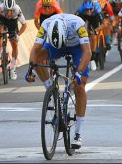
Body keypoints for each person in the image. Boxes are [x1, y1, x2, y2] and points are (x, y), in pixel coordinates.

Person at [26, 13, 91, 149]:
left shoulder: (78, 24)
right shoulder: (46, 25)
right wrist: (30, 69)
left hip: (76, 47)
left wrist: (78, 72)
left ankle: (78, 133)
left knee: (80, 86)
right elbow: (35, 49)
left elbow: (87, 51)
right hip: (55, 45)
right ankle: (51, 89)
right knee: (37, 60)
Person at [0, 0, 27, 80]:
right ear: (4, 8)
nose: (9, 13)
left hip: (13, 22)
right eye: (7, 10)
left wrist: (18, 35)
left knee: (14, 44)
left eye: (11, 10)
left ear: (14, 9)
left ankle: (13, 68)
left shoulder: (17, 9)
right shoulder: (0, 8)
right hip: (2, 20)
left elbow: (24, 25)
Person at [75, 0, 105, 70]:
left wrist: (95, 30)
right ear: (83, 8)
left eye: (90, 9)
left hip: (95, 17)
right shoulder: (80, 10)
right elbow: (74, 22)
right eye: (86, 10)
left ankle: (92, 58)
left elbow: (103, 24)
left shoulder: (97, 9)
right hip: (84, 17)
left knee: (93, 36)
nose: (88, 12)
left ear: (93, 8)